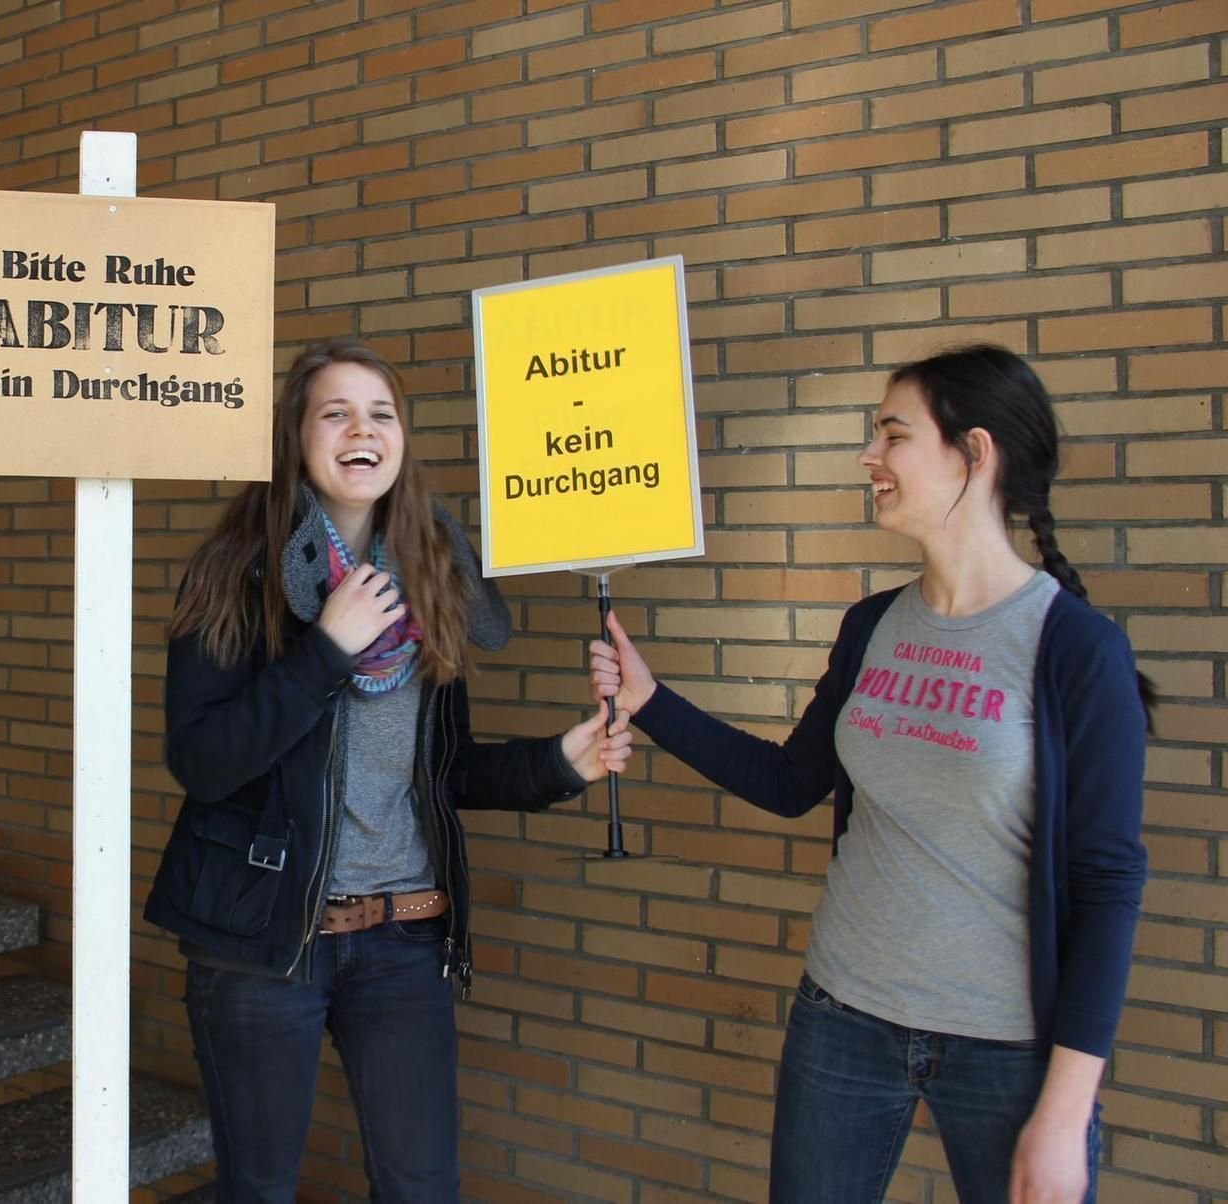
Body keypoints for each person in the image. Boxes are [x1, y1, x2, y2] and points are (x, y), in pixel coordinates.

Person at [589, 344, 1151, 1204]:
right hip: (841, 1021)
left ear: (975, 453)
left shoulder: (1075, 648)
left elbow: (1108, 885)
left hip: (1007, 1051)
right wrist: (649, 700)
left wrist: (1067, 1110)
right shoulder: (871, 626)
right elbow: (788, 783)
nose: (870, 457)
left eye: (892, 434)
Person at [144, 338, 634, 1202]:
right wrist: (326, 647)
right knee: (256, 1190)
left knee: (422, 1189)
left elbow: (443, 779)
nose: (361, 430)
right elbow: (204, 761)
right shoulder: (235, 575)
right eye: (335, 412)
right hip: (266, 945)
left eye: (381, 413)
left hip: (405, 940)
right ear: (296, 436)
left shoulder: (431, 581)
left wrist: (563, 764)